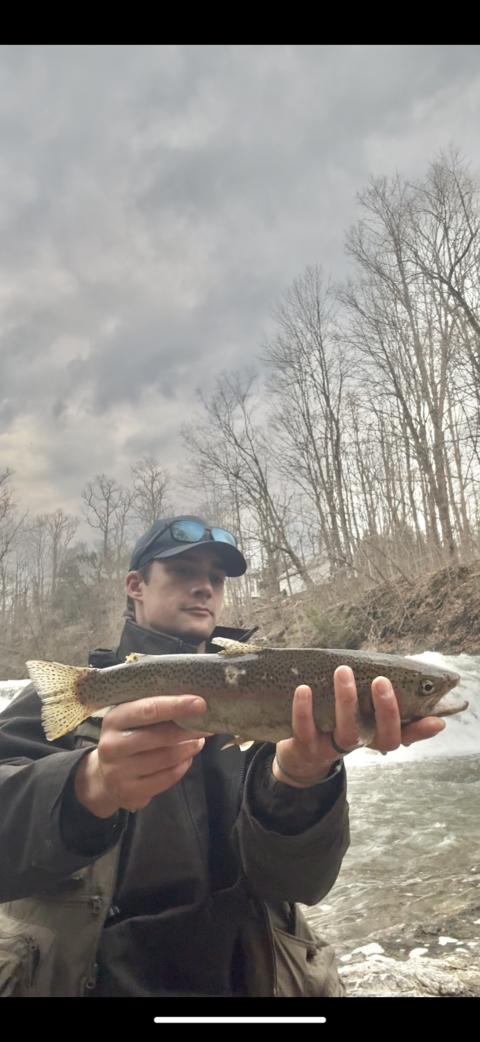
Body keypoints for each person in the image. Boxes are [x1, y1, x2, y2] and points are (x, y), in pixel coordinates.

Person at [0, 515, 445, 998]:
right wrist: (85, 785)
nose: (205, 587)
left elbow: (301, 885)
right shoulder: (75, 694)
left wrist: (301, 782)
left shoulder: (280, 704)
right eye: (183, 571)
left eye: (216, 577)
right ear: (135, 586)